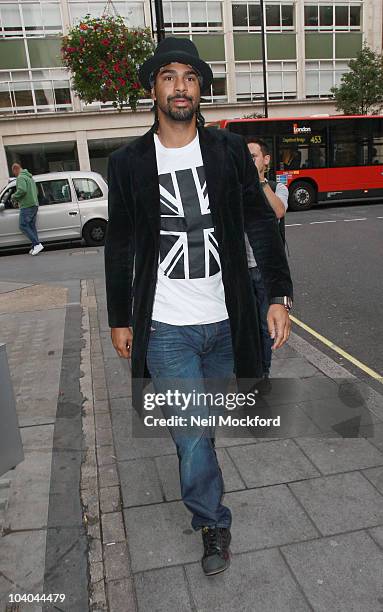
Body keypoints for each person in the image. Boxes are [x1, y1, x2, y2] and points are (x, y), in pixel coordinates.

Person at [104, 37, 293, 577]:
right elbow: (119, 244)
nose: (179, 85)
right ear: (154, 90)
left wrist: (277, 296)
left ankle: (201, 473)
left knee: (201, 424)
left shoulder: (228, 151)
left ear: (201, 89)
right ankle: (212, 521)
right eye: (168, 76)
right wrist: (120, 318)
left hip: (227, 320)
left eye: (189, 76)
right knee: (190, 429)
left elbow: (261, 222)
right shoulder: (128, 162)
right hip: (166, 326)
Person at [246, 137, 289, 379]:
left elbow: (279, 211)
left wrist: (260, 182)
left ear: (265, 160)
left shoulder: (276, 185)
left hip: (263, 271)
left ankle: (263, 372)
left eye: (252, 156)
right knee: (244, 325)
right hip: (240, 269)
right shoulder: (237, 187)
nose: (248, 161)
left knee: (265, 326)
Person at [11, 163, 43, 255]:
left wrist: (14, 197)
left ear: (15, 170)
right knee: (31, 226)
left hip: (27, 205)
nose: (15, 175)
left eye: (14, 173)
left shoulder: (21, 177)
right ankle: (35, 246)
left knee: (23, 225)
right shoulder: (29, 177)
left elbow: (22, 190)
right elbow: (36, 191)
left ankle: (37, 244)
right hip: (34, 204)